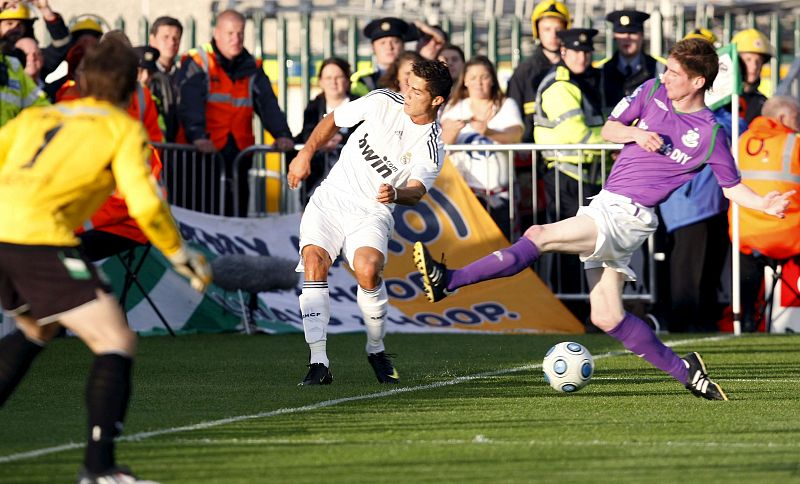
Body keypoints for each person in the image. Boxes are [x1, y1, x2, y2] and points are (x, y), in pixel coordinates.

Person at [414, 39, 796, 401]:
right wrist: (635, 134)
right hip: (607, 203)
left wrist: (765, 203)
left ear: (698, 81)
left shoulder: (709, 133)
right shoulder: (651, 91)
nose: (666, 77)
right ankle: (687, 372)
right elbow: (613, 129)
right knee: (607, 315)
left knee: (539, 234)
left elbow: (732, 188)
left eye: (675, 74)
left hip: (628, 216)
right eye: (666, 70)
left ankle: (449, 281)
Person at [0, 38, 210, 483]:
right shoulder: (121, 129)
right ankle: (100, 470)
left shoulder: (36, 117)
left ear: (80, 80)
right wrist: (181, 254)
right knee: (115, 339)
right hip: (38, 240)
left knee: (37, 328)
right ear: (131, 86)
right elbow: (146, 206)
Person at [287, 59, 452, 386]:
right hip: (331, 198)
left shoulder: (431, 146)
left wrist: (396, 193)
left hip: (372, 211)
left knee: (367, 269)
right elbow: (334, 119)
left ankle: (376, 349)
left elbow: (417, 191)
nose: (407, 92)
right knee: (313, 262)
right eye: (408, 83)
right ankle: (318, 362)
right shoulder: (382, 101)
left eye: (417, 90)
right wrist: (305, 154)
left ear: (436, 101)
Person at [178, 9, 293, 216]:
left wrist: (282, 134)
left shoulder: (252, 67)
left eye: (240, 33)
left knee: (236, 210)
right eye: (230, 33)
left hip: (239, 151)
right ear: (217, 33)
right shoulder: (199, 61)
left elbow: (268, 104)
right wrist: (198, 135)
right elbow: (190, 102)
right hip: (204, 152)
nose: (236, 39)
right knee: (204, 210)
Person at [732, 96, 800, 332]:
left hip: (746, 233)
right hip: (788, 232)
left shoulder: (741, 140)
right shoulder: (794, 143)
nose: (798, 123)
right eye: (796, 118)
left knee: (745, 256)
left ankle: (748, 318)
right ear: (782, 118)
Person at [440, 55, 523, 239]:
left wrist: (489, 132)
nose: (479, 83)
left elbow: (516, 135)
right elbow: (441, 145)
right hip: (467, 195)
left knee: (503, 246)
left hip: (501, 195)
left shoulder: (506, 105)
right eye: (473, 78)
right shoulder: (455, 108)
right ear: (465, 82)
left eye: (484, 77)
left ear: (492, 80)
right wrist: (450, 134)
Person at [295, 57, 359, 203]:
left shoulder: (359, 104)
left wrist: (342, 139)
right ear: (321, 81)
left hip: (353, 182)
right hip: (317, 179)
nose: (333, 82)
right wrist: (320, 141)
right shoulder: (313, 107)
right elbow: (307, 134)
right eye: (328, 77)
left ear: (347, 79)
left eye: (338, 77)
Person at [506, 0, 570, 143]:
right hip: (533, 155)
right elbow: (513, 116)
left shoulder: (576, 68)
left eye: (558, 29)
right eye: (546, 29)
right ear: (537, 32)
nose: (553, 35)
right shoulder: (523, 72)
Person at [597, 10, 666, 115]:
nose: (626, 38)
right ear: (615, 36)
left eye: (632, 33)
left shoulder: (660, 68)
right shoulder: (602, 70)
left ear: (642, 35)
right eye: (621, 33)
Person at [0, 0, 70, 81]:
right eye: (9, 23)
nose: (15, 28)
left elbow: (61, 46)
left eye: (20, 24)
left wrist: (45, 10)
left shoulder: (34, 57)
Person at [350, 17, 418, 97]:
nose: (389, 47)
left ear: (403, 45)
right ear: (373, 48)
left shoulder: (416, 74)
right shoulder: (364, 81)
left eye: (395, 42)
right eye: (382, 43)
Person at [148, 16, 183, 142]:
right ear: (152, 40)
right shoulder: (144, 75)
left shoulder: (185, 76)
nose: (172, 42)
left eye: (176, 38)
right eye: (165, 37)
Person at [731, 28, 771, 124]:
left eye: (758, 61)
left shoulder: (764, 104)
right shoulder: (718, 99)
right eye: (748, 60)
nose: (754, 67)